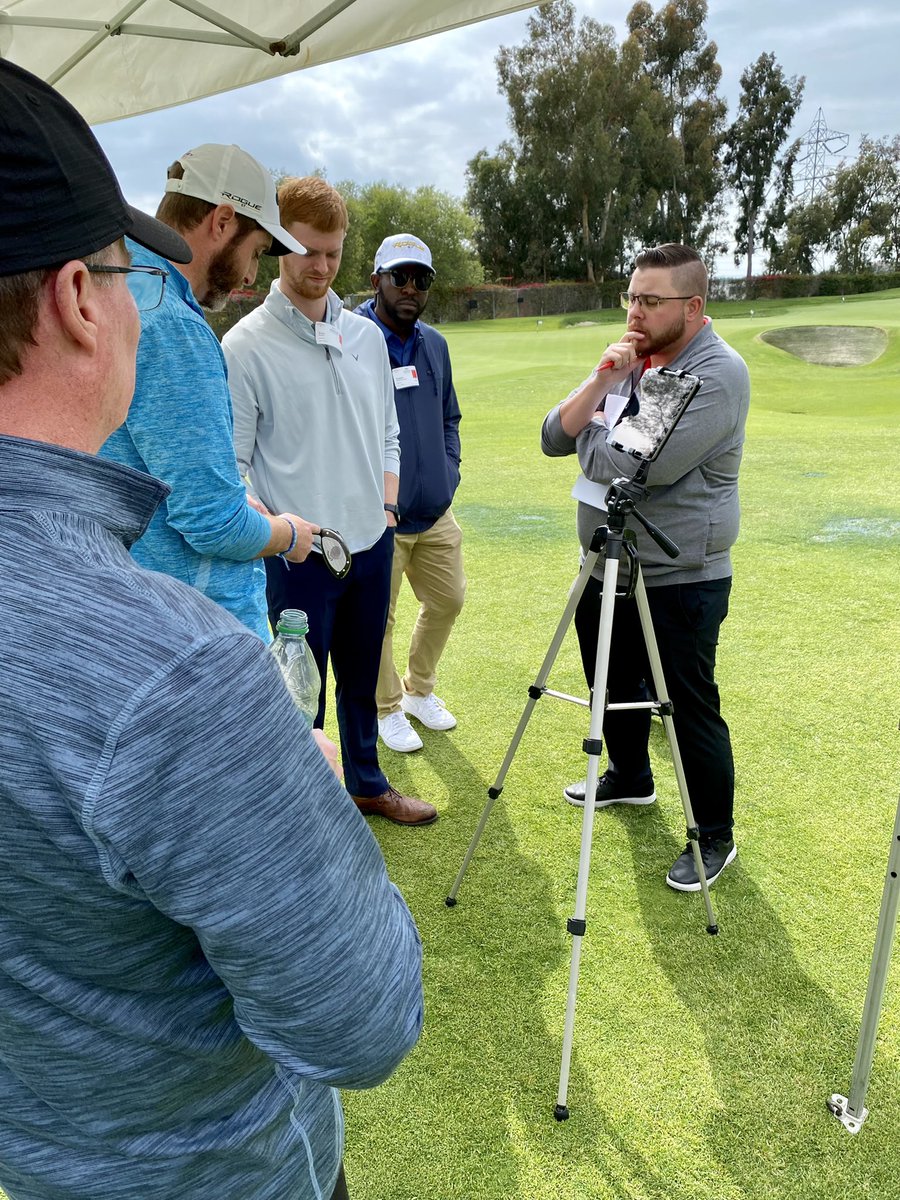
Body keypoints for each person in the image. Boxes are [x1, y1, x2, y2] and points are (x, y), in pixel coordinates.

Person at [0, 60, 422, 1200]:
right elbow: (366, 1019)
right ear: (80, 302)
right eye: (119, 268)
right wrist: (305, 782)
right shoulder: (178, 679)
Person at [223, 178, 437, 827]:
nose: (320, 267)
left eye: (333, 253)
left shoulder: (367, 337)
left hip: (371, 544)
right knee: (298, 697)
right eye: (306, 251)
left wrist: (388, 509)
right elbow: (233, 470)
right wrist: (284, 533)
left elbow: (389, 432)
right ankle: (298, 813)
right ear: (276, 244)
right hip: (298, 559)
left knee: (361, 679)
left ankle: (367, 783)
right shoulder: (244, 347)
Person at [541, 243, 750, 891]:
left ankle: (714, 834)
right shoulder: (633, 358)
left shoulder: (712, 373)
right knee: (611, 680)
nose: (635, 310)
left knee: (688, 704)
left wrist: (592, 427)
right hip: (607, 560)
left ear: (692, 306)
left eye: (650, 301)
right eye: (631, 296)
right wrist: (603, 380)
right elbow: (554, 433)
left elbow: (625, 466)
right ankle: (630, 778)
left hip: (680, 571)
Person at [100, 143, 317, 640]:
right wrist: (288, 534)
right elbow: (213, 525)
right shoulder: (172, 325)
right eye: (256, 252)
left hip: (141, 615)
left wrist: (237, 495)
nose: (249, 275)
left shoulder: (119, 289)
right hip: (200, 635)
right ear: (221, 221)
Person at [354, 234, 465, 753]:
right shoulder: (353, 337)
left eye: (421, 279)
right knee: (379, 617)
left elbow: (449, 417)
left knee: (448, 600)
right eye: (400, 277)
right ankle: (387, 707)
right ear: (376, 280)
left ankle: (420, 691)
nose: (411, 288)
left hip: (434, 510)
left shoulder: (435, 344)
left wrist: (449, 473)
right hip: (377, 514)